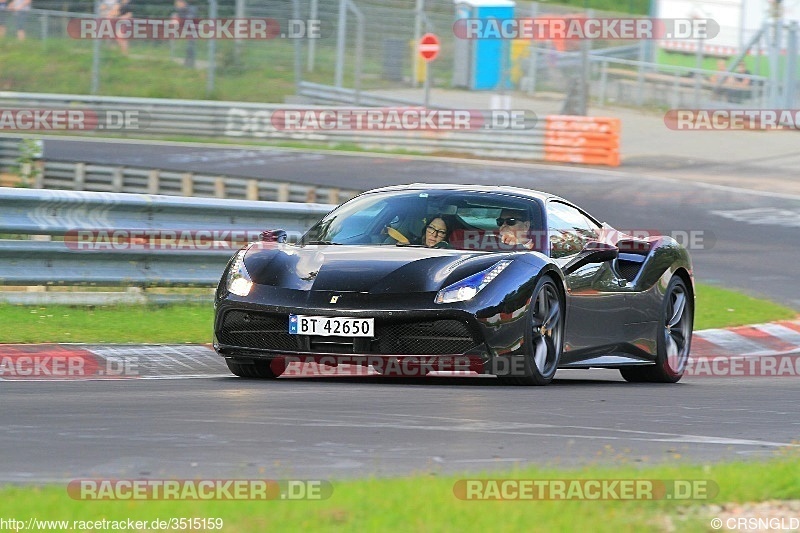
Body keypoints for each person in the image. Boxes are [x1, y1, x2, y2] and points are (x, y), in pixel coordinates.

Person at [173, 0, 197, 68]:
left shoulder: (191, 9)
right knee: (188, 48)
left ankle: (190, 63)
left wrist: (179, 19)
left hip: (193, 30)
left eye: (178, 5)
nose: (177, 7)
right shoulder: (181, 10)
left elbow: (190, 18)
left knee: (190, 47)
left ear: (183, 3)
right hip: (186, 31)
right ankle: (187, 62)